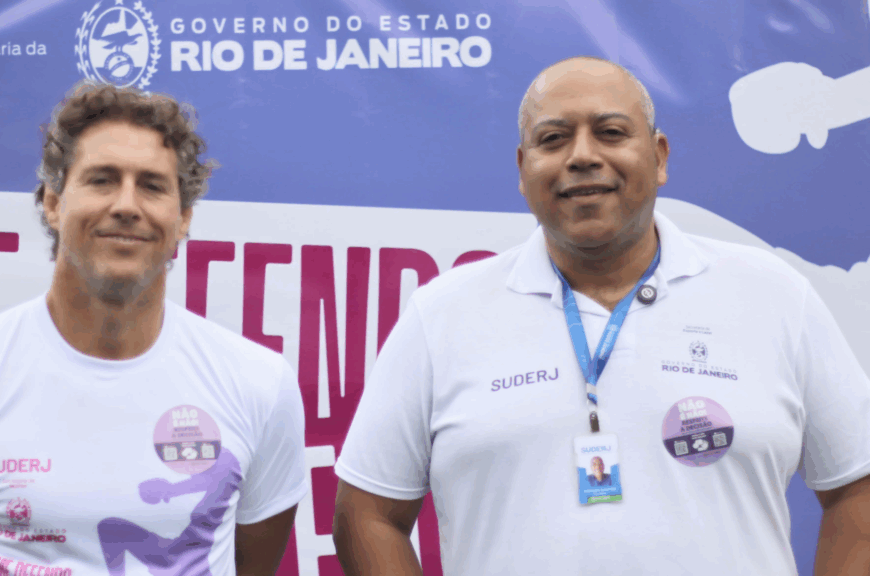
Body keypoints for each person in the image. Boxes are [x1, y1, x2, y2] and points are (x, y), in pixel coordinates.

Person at [332, 56, 870, 575]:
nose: (582, 156)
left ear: (659, 156)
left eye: (611, 133)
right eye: (552, 139)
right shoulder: (442, 314)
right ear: (522, 168)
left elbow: (857, 486)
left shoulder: (773, 295)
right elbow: (367, 515)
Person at [0, 82, 307, 576]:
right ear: (53, 204)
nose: (126, 205)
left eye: (152, 185)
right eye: (102, 179)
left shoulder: (259, 384)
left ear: (183, 218)